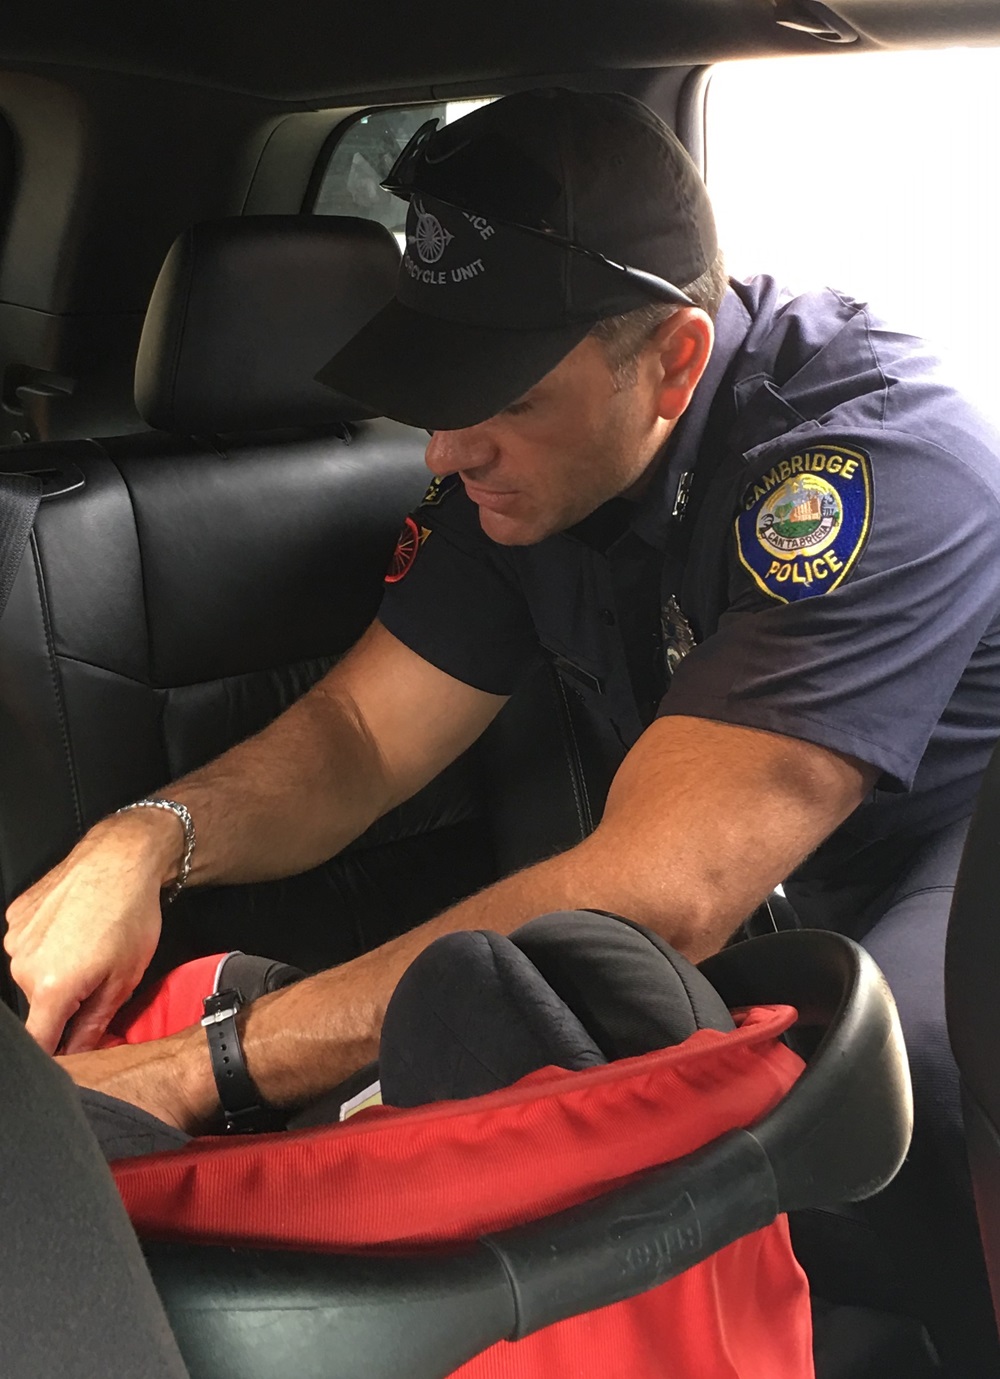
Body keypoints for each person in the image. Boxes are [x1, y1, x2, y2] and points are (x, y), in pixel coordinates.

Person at [5, 86, 1000, 1367]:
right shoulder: (520, 479)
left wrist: (207, 1073)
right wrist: (142, 839)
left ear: (675, 362)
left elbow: (661, 887)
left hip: (942, 862)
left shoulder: (866, 465)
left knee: (918, 1072)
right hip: (755, 886)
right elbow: (362, 737)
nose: (440, 446)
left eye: (496, 397)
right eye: (433, 384)